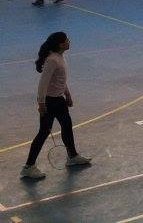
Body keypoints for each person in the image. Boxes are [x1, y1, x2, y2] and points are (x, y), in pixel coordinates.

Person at [22, 32, 91, 179]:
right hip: (50, 102)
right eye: (67, 40)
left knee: (67, 126)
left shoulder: (60, 57)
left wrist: (67, 94)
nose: (69, 42)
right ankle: (28, 166)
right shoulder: (52, 60)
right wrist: (41, 103)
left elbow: (60, 79)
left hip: (59, 100)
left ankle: (72, 156)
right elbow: (43, 83)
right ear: (60, 44)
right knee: (43, 132)